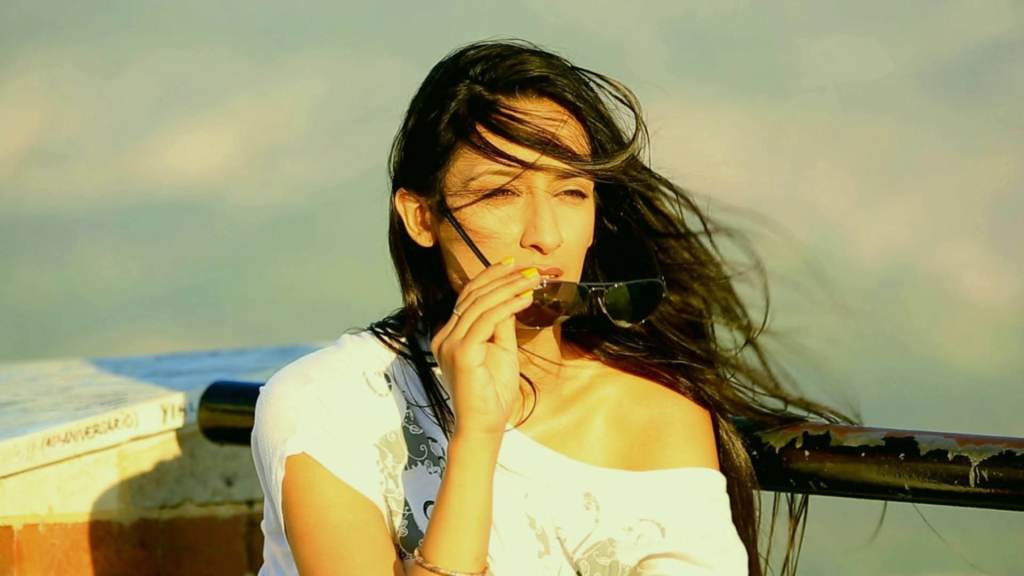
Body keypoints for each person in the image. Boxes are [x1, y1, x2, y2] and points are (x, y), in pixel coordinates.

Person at [251, 39, 855, 576]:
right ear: (421, 218)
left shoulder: (657, 416)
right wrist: (476, 437)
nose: (545, 236)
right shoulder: (328, 405)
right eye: (500, 193)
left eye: (571, 191)